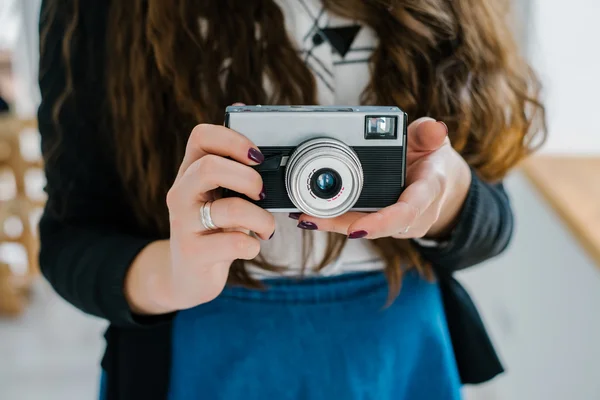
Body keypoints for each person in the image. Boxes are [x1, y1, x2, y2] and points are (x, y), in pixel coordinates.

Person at [37, 1, 546, 399]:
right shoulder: (98, 10)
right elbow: (71, 238)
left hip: (399, 345)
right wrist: (174, 273)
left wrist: (449, 194)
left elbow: (496, 222)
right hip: (199, 344)